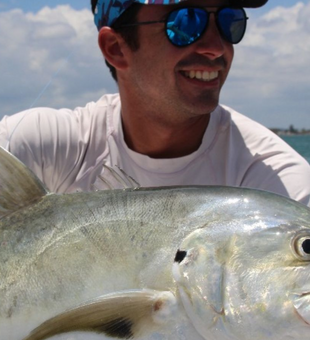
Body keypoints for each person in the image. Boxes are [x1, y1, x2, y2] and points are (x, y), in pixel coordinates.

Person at [0, 0, 310, 206]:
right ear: (115, 49)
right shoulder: (38, 148)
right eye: (186, 22)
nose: (216, 47)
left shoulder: (279, 188)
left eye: (230, 21)